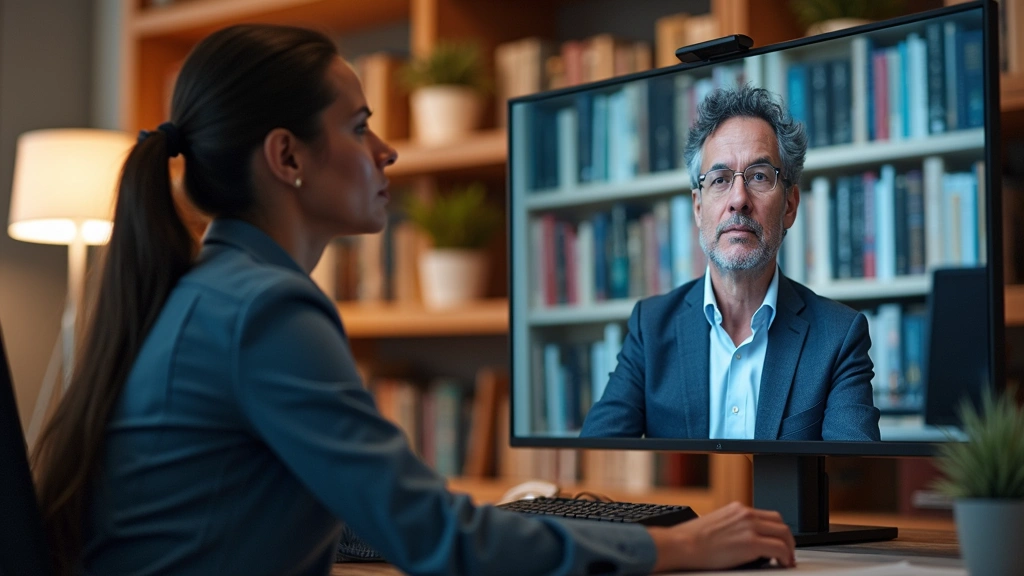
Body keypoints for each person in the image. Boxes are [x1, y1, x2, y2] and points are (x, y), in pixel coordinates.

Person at [30, 25, 796, 576]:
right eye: (360, 126)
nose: (386, 151)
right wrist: (675, 547)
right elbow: (434, 536)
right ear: (287, 157)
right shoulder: (260, 311)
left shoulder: (213, 292)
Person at [581, 85, 880, 442]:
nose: (738, 199)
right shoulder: (651, 328)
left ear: (790, 205)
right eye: (720, 180)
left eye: (758, 176)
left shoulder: (839, 337)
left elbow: (851, 482)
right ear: (697, 207)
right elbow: (599, 457)